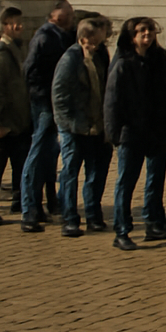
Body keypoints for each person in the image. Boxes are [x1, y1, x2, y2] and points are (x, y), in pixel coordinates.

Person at [105, 16, 166, 250]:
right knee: (126, 183)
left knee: (155, 180)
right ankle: (122, 230)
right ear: (132, 36)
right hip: (131, 133)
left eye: (150, 30)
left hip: (157, 130)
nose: (147, 34)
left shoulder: (159, 60)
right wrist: (114, 134)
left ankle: (154, 222)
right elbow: (112, 102)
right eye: (142, 31)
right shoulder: (122, 64)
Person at [51, 15, 113, 237]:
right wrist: (69, 125)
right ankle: (69, 218)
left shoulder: (101, 55)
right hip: (75, 128)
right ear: (84, 39)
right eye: (96, 40)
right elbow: (59, 97)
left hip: (98, 125)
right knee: (70, 172)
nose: (100, 43)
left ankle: (93, 215)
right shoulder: (70, 60)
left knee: (96, 172)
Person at [21, 0, 75, 226]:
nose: (70, 17)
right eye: (66, 14)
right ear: (53, 15)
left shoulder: (65, 36)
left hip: (56, 103)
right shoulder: (44, 37)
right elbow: (31, 71)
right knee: (37, 152)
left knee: (50, 153)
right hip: (44, 103)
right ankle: (29, 206)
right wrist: (44, 98)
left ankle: (50, 201)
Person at [0, 6, 32, 229]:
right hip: (4, 124)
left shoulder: (18, 50)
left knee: (21, 167)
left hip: (20, 121)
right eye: (13, 23)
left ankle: (20, 202)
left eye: (20, 21)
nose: (19, 26)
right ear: (3, 27)